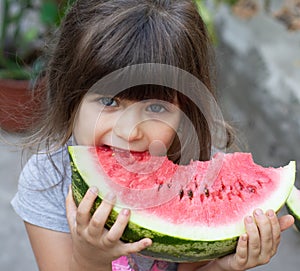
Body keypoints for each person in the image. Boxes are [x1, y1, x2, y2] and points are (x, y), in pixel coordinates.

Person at [11, 0, 294, 270]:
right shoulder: (47, 182)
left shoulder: (202, 177)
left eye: (156, 107)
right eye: (109, 102)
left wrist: (225, 266)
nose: (130, 132)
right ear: (70, 95)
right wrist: (91, 259)